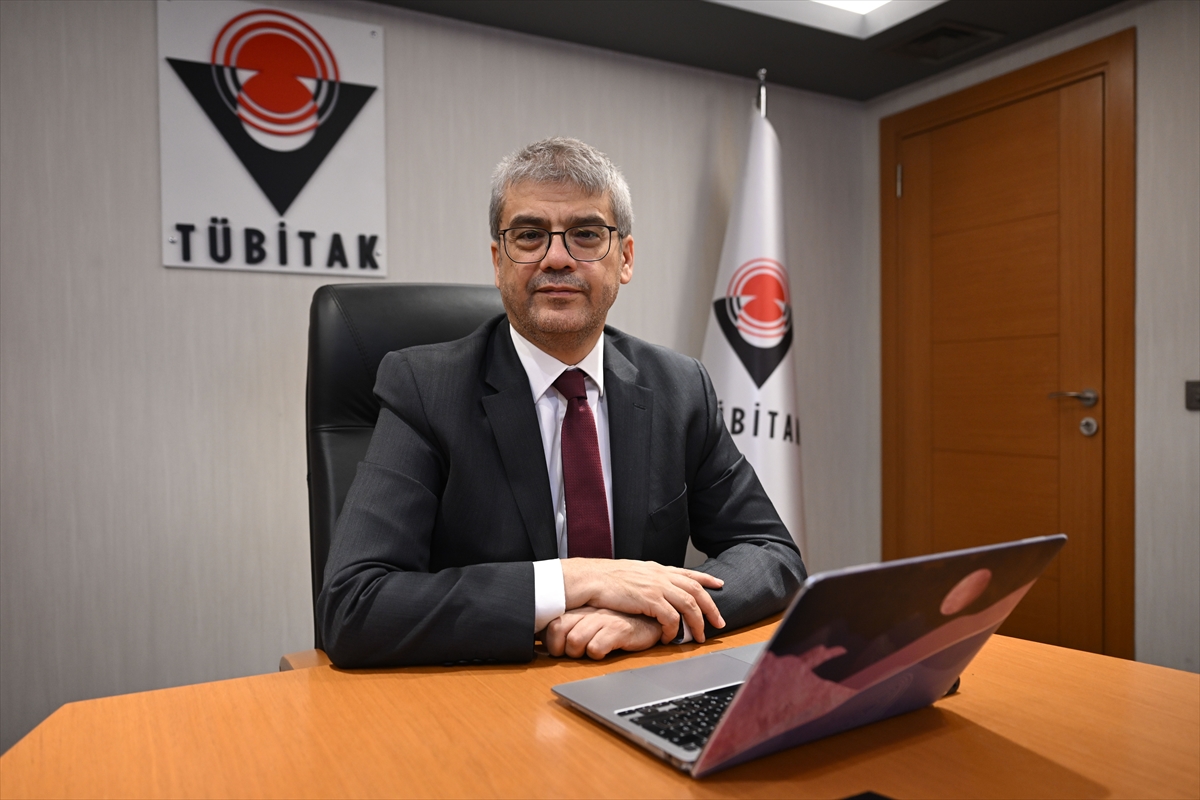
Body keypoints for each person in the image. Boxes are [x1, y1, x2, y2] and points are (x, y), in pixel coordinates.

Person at [317, 138, 806, 668]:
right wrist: (572, 580)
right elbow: (354, 605)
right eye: (529, 235)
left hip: (636, 677)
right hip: (486, 692)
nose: (556, 258)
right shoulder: (425, 388)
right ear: (498, 261)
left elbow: (772, 554)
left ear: (625, 258)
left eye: (586, 234)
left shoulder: (680, 387)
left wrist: (653, 619)